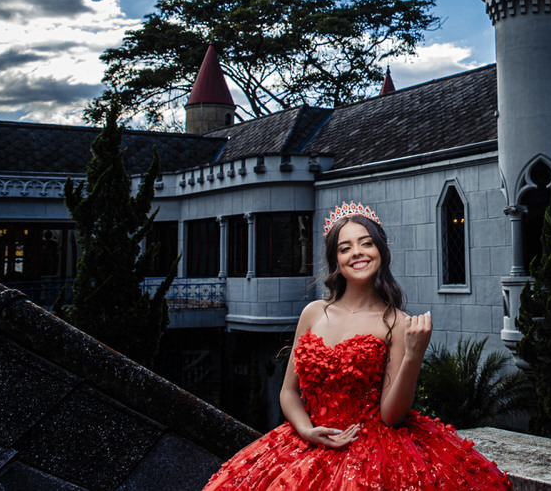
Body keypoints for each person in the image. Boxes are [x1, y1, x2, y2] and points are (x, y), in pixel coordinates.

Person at [202, 202, 512, 490]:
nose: (357, 253)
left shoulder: (396, 321)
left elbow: (391, 415)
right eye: (345, 247)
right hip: (309, 440)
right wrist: (308, 430)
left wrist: (414, 355)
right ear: (335, 259)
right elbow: (288, 391)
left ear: (380, 250)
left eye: (366, 243)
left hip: (372, 450)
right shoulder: (313, 313)